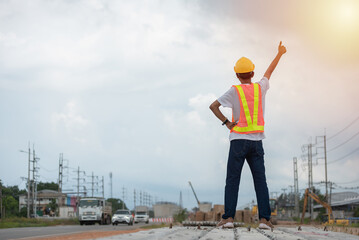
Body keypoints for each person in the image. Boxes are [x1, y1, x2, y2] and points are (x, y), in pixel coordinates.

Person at [209, 41, 287, 229]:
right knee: (260, 181)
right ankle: (265, 220)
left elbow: (213, 106)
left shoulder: (234, 91)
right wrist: (280, 53)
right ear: (252, 73)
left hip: (237, 142)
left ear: (237, 75)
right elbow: (269, 72)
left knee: (232, 180)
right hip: (257, 142)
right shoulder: (260, 88)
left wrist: (227, 123)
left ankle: (228, 219)